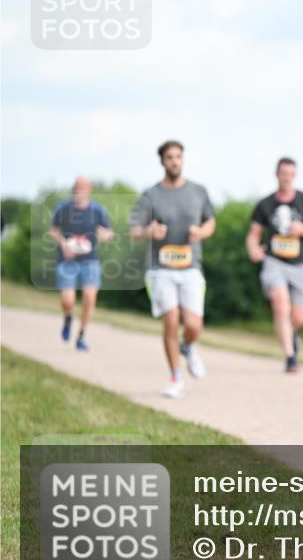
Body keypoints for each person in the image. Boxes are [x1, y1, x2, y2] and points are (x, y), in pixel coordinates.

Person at [129, 140, 216, 398]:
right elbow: (134, 230)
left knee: (193, 325)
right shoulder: (151, 195)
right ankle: (176, 377)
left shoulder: (198, 191)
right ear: (162, 161)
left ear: (183, 159)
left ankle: (187, 347)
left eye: (178, 156)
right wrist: (148, 231)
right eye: (170, 157)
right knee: (171, 320)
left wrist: (201, 232)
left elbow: (211, 221)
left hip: (191, 266)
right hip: (160, 268)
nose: (175, 161)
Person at [246, 157, 303, 373]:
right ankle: (290, 358)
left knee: (298, 317)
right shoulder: (265, 204)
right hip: (274, 262)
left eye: (290, 174)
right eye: (283, 173)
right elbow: (253, 236)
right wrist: (253, 249)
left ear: (294, 176)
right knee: (280, 304)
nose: (287, 177)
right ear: (277, 174)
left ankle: (291, 336)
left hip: (300, 265)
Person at [48, 177, 114, 351]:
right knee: (67, 301)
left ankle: (81, 336)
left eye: (83, 187)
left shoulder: (97, 210)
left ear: (89, 190)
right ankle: (68, 316)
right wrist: (63, 244)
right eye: (77, 187)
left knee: (89, 298)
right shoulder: (63, 209)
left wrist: (105, 235)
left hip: (90, 261)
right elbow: (53, 230)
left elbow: (108, 232)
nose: (79, 190)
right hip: (67, 260)